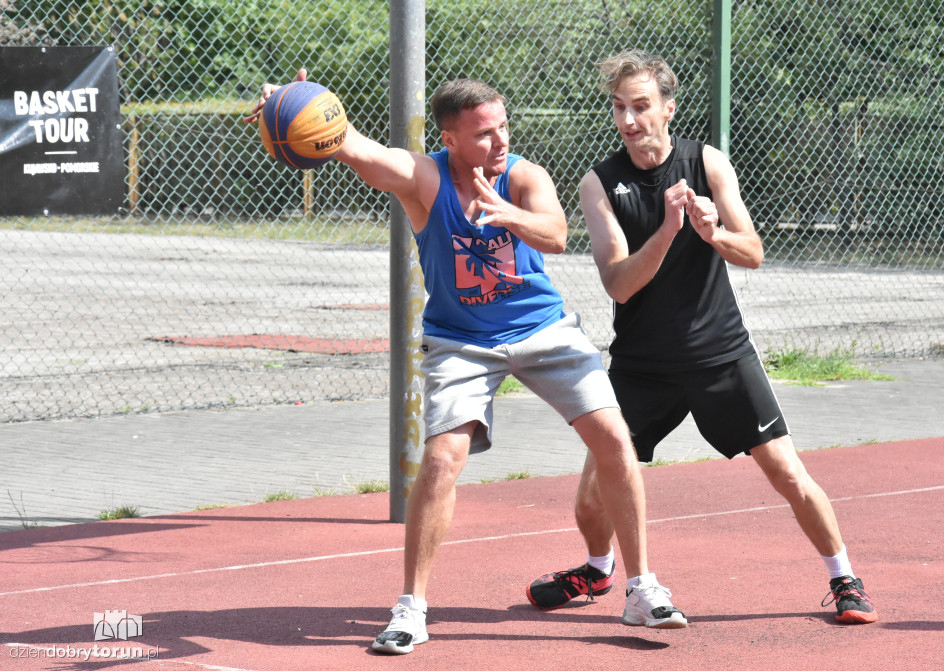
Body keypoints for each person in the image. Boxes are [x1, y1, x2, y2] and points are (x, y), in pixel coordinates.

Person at [246, 70, 687, 655]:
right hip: (460, 341)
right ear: (450, 139)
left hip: (543, 329)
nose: (499, 141)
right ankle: (411, 609)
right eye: (483, 133)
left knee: (613, 437)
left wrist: (507, 214)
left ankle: (641, 590)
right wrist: (295, 106)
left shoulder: (525, 175)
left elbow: (555, 235)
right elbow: (353, 145)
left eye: (503, 127)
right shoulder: (424, 179)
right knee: (440, 460)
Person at [525, 49, 878, 625]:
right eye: (619, 108)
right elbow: (618, 284)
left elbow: (754, 253)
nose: (629, 120)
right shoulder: (599, 183)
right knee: (593, 494)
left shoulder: (707, 162)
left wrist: (713, 233)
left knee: (788, 473)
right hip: (641, 367)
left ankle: (845, 578)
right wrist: (668, 230)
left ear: (668, 107)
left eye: (640, 107)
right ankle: (597, 568)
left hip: (721, 355)